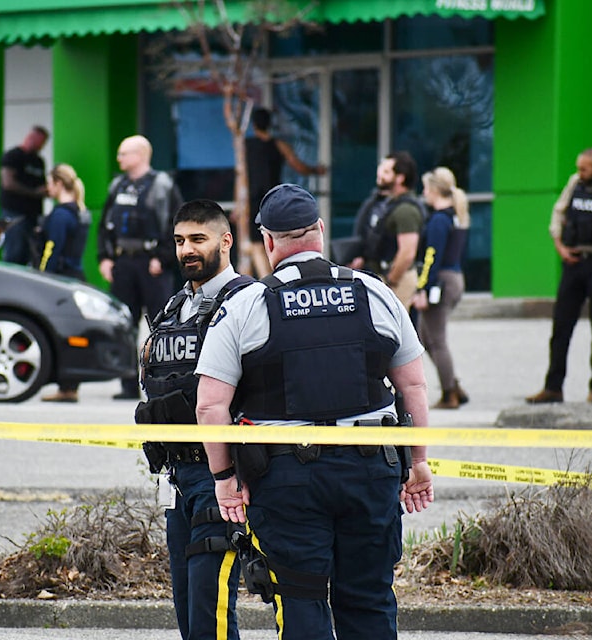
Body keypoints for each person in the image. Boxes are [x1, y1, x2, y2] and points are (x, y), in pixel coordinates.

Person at [196, 184, 434, 640]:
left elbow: (210, 405)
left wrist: (225, 481)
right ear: (321, 231)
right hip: (371, 470)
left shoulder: (247, 304)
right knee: (368, 598)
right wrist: (418, 461)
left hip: (288, 479)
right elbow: (414, 386)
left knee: (301, 597)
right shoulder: (374, 292)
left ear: (268, 242)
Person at [135, 199, 251, 640]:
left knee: (210, 612)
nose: (187, 250)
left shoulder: (247, 301)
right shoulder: (173, 308)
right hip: (178, 476)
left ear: (226, 241)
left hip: (221, 476)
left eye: (198, 240)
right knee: (188, 610)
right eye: (180, 240)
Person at [526, 148, 592, 404]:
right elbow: (558, 214)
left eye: (584, 169)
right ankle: (553, 387)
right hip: (574, 263)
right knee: (561, 326)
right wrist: (560, 247)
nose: (580, 173)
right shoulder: (575, 183)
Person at [98, 134, 184, 400]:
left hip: (152, 266)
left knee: (160, 325)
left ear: (140, 155)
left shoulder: (162, 185)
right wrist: (105, 258)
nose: (119, 158)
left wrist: (164, 257)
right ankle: (127, 384)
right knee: (124, 323)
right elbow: (104, 226)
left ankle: (162, 383)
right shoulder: (117, 186)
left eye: (124, 153)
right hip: (123, 264)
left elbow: (177, 224)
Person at [244, 107, 326, 278]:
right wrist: (316, 170)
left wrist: (240, 205)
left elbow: (241, 176)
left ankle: (269, 281)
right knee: (275, 239)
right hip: (274, 199)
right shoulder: (279, 144)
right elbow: (298, 166)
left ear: (253, 125)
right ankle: (271, 279)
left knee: (257, 245)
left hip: (251, 199)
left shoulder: (245, 147)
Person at [413, 167, 470, 409]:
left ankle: (449, 394)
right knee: (425, 337)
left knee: (436, 340)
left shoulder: (438, 219)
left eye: (426, 188)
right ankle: (453, 384)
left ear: (435, 190)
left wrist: (422, 288)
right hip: (454, 277)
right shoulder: (454, 216)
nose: (423, 193)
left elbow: (431, 257)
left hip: (441, 281)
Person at [39, 163, 91, 403]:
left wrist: (41, 276)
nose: (47, 188)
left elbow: (52, 249)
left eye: (49, 183)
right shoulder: (81, 211)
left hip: (60, 277)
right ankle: (70, 385)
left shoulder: (60, 215)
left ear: (58, 184)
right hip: (76, 275)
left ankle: (66, 386)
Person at [349, 151, 425, 310]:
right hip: (382, 275)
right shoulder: (383, 204)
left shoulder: (406, 210)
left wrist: (390, 281)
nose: (380, 175)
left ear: (400, 178)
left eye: (386, 172)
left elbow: (407, 253)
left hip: (398, 279)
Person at [0, 125, 49, 265]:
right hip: (15, 213)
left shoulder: (38, 161)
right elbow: (8, 183)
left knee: (30, 254)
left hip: (32, 215)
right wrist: (33, 193)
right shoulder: (13, 156)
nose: (41, 146)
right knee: (15, 252)